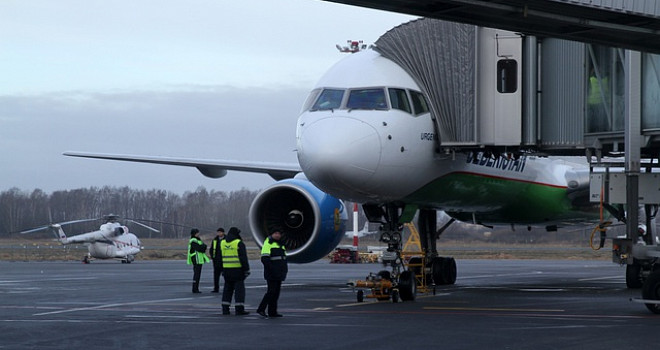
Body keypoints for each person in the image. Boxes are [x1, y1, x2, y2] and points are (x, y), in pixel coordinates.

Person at [256, 230, 288, 318]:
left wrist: (284, 271)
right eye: (275, 233)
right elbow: (264, 259)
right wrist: (272, 269)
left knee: (276, 293)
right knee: (271, 292)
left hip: (279, 273)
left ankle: (272, 312)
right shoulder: (268, 243)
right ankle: (261, 309)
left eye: (279, 233)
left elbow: (283, 259)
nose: (278, 235)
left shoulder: (281, 245)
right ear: (271, 234)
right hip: (272, 273)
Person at [220, 227, 250, 315]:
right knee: (239, 291)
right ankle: (239, 309)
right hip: (238, 270)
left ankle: (225, 309)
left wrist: (222, 269)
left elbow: (219, 257)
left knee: (227, 290)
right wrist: (246, 269)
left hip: (227, 270)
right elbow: (243, 258)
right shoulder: (238, 243)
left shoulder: (222, 243)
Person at [187, 228, 210, 294]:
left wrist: (203, 246)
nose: (198, 234)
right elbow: (200, 248)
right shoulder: (193, 240)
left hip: (199, 259)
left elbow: (203, 246)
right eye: (197, 233)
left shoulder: (197, 240)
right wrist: (203, 246)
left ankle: (196, 288)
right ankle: (195, 288)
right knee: (196, 274)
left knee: (197, 274)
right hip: (196, 259)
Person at [209, 227, 225, 293]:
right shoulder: (215, 240)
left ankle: (229, 288)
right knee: (216, 276)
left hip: (224, 261)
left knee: (227, 276)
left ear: (223, 233)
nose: (219, 233)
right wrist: (213, 257)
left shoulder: (227, 239)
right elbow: (211, 249)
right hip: (216, 261)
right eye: (218, 232)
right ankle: (216, 288)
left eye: (220, 232)